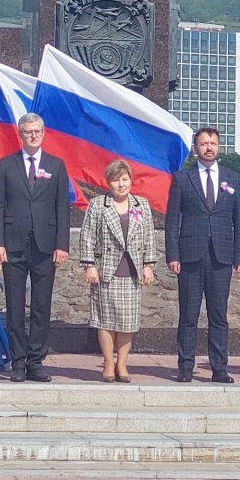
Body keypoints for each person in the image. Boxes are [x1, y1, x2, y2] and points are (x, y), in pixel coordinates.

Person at [0, 112, 71, 382]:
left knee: (41, 306)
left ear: (43, 133)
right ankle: (18, 362)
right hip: (13, 244)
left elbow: (62, 208)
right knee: (14, 306)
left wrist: (62, 244)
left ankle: (36, 362)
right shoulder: (6, 165)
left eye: (37, 131)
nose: (33, 135)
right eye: (28, 132)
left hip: (45, 245)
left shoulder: (56, 165)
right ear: (20, 134)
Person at [164, 126, 240, 383]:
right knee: (188, 315)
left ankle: (219, 367)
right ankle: (185, 366)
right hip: (190, 254)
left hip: (221, 255)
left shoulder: (232, 178)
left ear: (219, 147)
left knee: (219, 315)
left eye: (213, 143)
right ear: (196, 148)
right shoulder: (183, 178)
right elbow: (172, 220)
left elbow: (239, 220)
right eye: (204, 143)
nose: (209, 148)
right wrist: (172, 254)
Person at [79, 159, 157, 382]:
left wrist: (148, 265)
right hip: (106, 271)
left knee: (127, 321)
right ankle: (107, 363)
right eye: (116, 180)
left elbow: (149, 236)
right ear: (108, 182)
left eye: (125, 179)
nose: (121, 185)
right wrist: (89, 265)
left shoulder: (141, 205)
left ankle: (122, 364)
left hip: (131, 271)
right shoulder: (98, 205)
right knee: (105, 320)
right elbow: (87, 236)